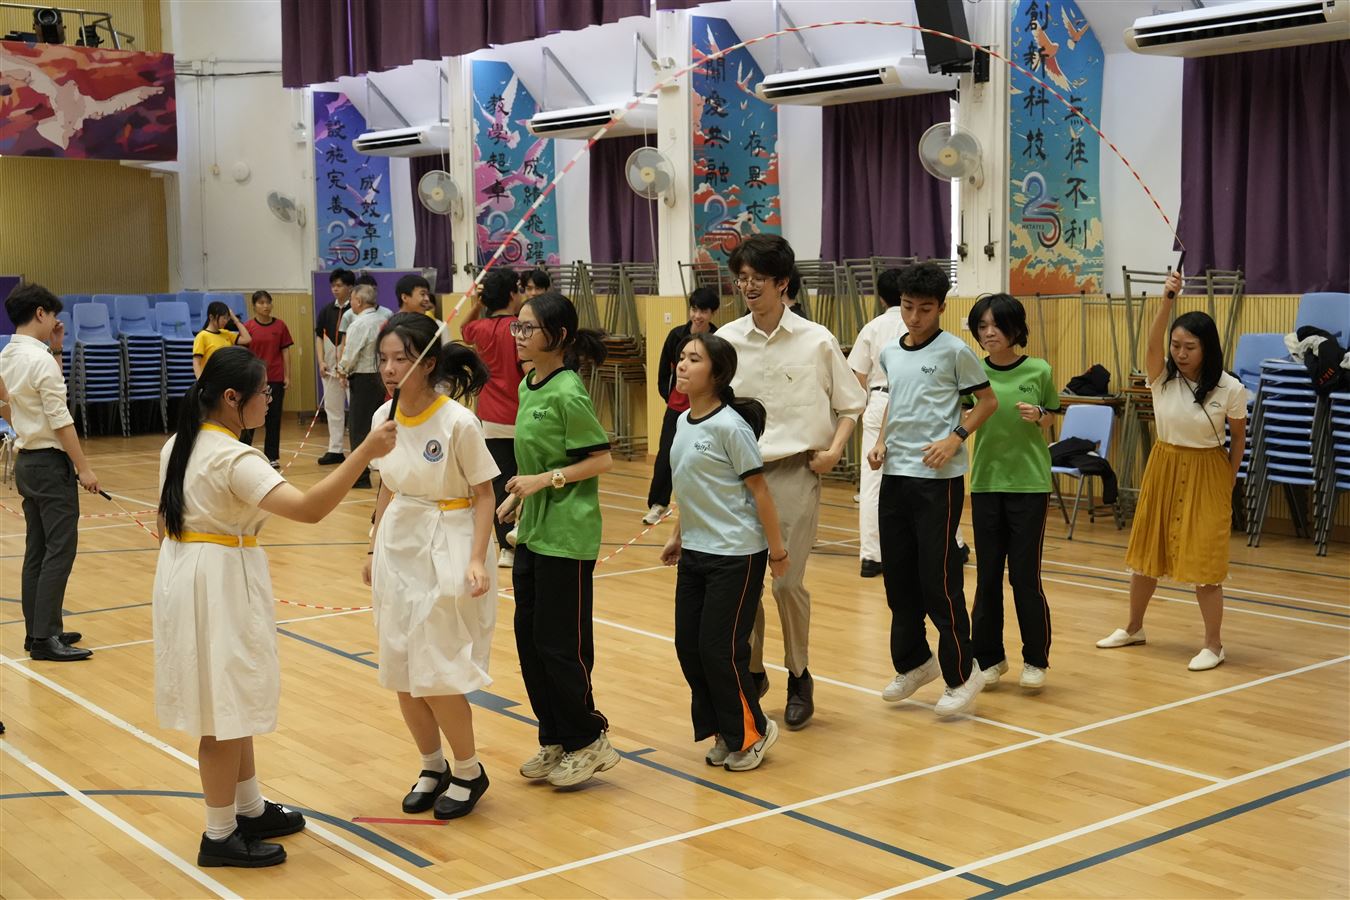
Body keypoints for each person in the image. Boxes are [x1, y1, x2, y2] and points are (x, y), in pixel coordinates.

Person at [153, 346, 396, 867]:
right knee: (221, 712)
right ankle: (219, 835)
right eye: (263, 392)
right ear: (231, 397)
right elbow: (309, 509)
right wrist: (365, 451)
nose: (269, 399)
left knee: (233, 699)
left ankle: (249, 808)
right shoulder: (234, 457)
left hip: (191, 572)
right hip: (217, 581)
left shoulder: (179, 443)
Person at [718, 234, 866, 729]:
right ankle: (754, 670)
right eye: (742, 278)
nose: (748, 287)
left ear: (783, 283)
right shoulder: (726, 341)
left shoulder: (816, 340)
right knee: (743, 583)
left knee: (786, 582)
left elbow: (851, 404)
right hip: (738, 475)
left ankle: (799, 674)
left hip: (794, 472)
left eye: (758, 278)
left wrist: (835, 449)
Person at [364, 313, 499, 820]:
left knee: (438, 670)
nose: (389, 369)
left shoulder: (459, 422)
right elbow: (386, 485)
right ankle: (431, 765)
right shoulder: (383, 417)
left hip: (450, 540)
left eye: (401, 358)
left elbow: (484, 494)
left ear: (428, 363)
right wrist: (372, 547)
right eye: (383, 359)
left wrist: (476, 559)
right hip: (399, 541)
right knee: (401, 668)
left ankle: (468, 770)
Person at [1097, 269, 1247, 671]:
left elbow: (1238, 439)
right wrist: (1167, 299)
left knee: (1206, 563)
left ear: (1207, 348)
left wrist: (1228, 479)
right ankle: (1133, 627)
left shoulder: (1231, 388)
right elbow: (1151, 342)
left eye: (1189, 347)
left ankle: (1214, 645)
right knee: (1147, 554)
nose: (1180, 353)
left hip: (1208, 471)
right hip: (1163, 466)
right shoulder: (1161, 378)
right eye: (1176, 345)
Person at [867, 262, 997, 718]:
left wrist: (955, 439)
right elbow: (895, 401)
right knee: (898, 578)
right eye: (907, 307)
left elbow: (988, 402)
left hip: (937, 483)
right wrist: (881, 440)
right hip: (895, 476)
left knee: (938, 580)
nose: (915, 316)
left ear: (941, 307)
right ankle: (914, 662)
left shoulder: (956, 351)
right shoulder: (890, 352)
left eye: (925, 308)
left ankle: (963, 673)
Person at [500, 291, 617, 787]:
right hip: (534, 531)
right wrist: (518, 497)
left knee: (560, 644)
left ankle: (588, 739)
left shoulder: (569, 391)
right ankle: (556, 737)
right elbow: (537, 459)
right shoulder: (529, 384)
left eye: (529, 328)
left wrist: (543, 481)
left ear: (559, 336)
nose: (520, 336)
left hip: (568, 535)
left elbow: (600, 459)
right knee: (530, 642)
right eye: (518, 326)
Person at [659, 333, 788, 772]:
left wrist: (778, 553)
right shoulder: (682, 421)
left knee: (720, 650)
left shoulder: (731, 427)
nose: (682, 364)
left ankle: (752, 732)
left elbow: (760, 491)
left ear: (717, 374)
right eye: (681, 357)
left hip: (736, 554)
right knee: (690, 648)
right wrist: (678, 534)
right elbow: (693, 485)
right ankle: (725, 730)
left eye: (694, 359)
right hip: (695, 551)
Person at [964, 294, 1059, 692]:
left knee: (1024, 576)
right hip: (986, 483)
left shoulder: (1039, 369)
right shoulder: (972, 371)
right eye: (982, 326)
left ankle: (1035, 659)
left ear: (1015, 328)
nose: (989, 333)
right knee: (987, 577)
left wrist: (1040, 415)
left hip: (1029, 485)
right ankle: (989, 658)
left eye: (996, 325)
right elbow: (963, 414)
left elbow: (1052, 414)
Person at [0, 284, 99, 662]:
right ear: (40, 313)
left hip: (27, 461)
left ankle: (40, 630)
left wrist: (56, 348)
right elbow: (60, 419)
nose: (56, 322)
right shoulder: (39, 361)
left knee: (37, 550)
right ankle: (45, 638)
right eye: (53, 315)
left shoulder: (7, 355)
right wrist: (84, 467)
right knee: (59, 550)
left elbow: (7, 406)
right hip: (49, 463)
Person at [461, 268, 526, 567]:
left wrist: (477, 303)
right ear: (512, 294)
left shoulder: (481, 329)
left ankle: (505, 549)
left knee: (500, 483)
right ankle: (522, 532)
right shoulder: (520, 329)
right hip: (522, 414)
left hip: (491, 418)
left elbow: (464, 328)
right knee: (528, 477)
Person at [847, 268, 907, 578]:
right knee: (926, 475)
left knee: (872, 483)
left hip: (879, 398)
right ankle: (954, 544)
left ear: (881, 297)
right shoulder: (917, 325)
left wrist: (864, 410)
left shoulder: (872, 328)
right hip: (913, 400)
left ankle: (871, 556)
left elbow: (856, 376)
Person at [644, 287, 719, 525]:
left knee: (703, 456)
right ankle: (659, 504)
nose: (697, 316)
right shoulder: (676, 335)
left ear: (712, 313)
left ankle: (704, 506)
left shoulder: (718, 339)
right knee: (666, 454)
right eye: (694, 309)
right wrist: (668, 396)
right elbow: (663, 369)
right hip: (677, 407)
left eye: (703, 311)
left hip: (706, 409)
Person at [337, 284, 386, 489]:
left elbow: (351, 353)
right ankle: (385, 472)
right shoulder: (384, 320)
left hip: (364, 379)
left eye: (352, 299)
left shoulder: (358, 324)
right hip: (382, 377)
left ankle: (360, 476)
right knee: (381, 422)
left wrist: (341, 370)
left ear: (358, 301)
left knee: (359, 427)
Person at [240, 290, 293, 468]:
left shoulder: (280, 326)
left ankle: (272, 456)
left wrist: (287, 375)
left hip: (275, 377)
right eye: (261, 303)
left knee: (273, 417)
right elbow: (242, 353)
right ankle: (243, 453)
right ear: (254, 306)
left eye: (268, 302)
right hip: (254, 379)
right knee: (249, 416)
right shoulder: (248, 327)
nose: (265, 306)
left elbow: (285, 351)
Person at [315, 269, 354, 465]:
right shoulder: (326, 310)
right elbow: (319, 338)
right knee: (333, 409)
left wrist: (345, 366)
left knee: (356, 411)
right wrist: (321, 362)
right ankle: (335, 449)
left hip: (351, 372)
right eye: (333, 286)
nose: (335, 289)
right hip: (330, 370)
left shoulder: (356, 311)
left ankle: (360, 451)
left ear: (350, 287)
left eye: (339, 285)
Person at [192, 301, 252, 379]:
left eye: (227, 318)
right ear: (211, 317)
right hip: (211, 379)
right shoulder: (202, 336)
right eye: (223, 318)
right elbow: (196, 363)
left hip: (227, 378)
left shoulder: (226, 333)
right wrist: (201, 382)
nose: (226, 321)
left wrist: (235, 319)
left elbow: (247, 339)